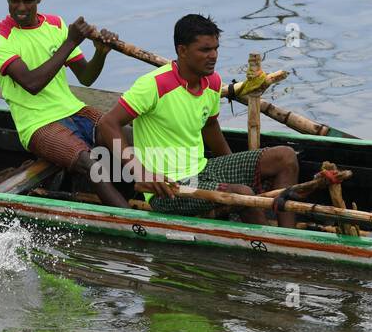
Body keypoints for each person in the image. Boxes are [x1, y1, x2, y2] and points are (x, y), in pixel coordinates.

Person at [96, 13, 300, 226]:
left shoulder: (212, 82)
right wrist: (141, 173)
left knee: (285, 157)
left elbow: (210, 126)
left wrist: (235, 171)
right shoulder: (153, 85)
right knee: (243, 194)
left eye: (216, 48)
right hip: (168, 188)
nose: (213, 56)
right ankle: (269, 248)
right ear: (182, 51)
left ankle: (293, 238)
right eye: (205, 50)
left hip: (203, 170)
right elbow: (107, 124)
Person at [0, 0, 127, 205]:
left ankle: (157, 195)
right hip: (38, 124)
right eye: (14, 0)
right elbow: (32, 84)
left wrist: (101, 52)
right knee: (91, 163)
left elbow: (86, 77)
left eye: (28, 1)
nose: (20, 8)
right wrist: (70, 42)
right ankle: (133, 222)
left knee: (129, 138)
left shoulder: (56, 24)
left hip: (74, 111)